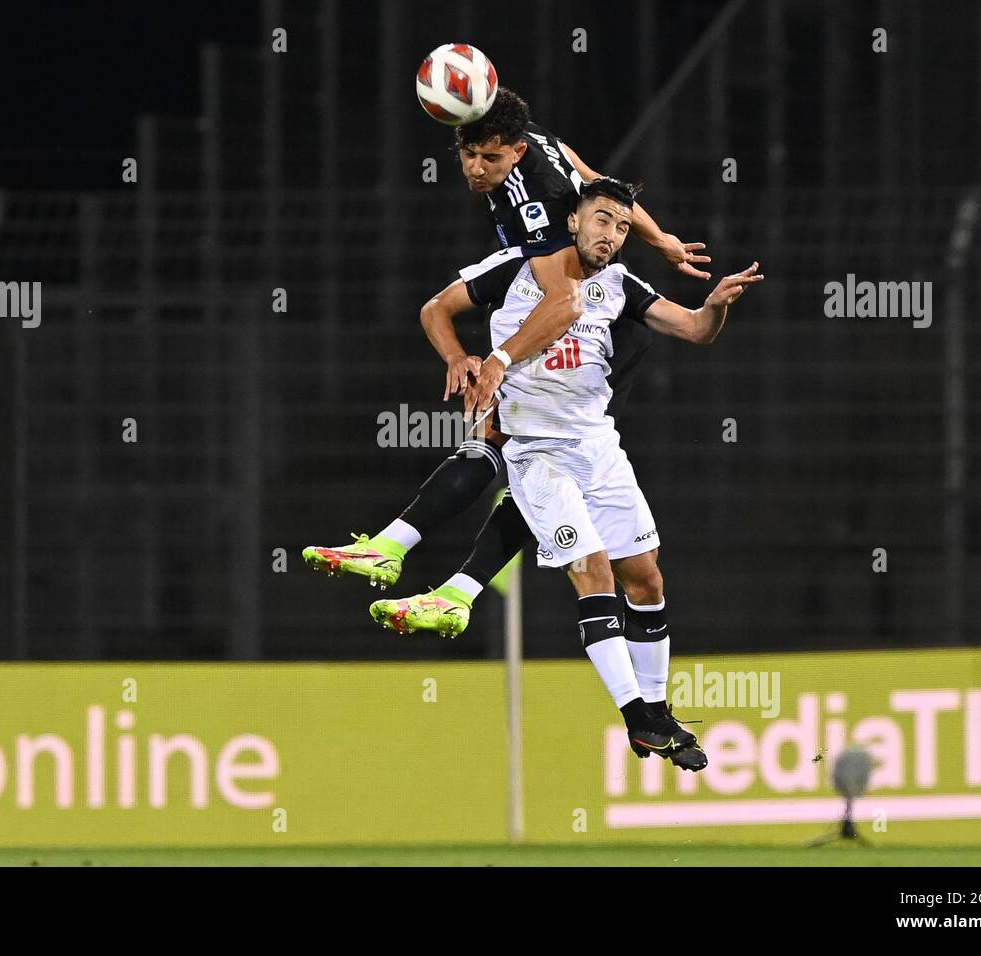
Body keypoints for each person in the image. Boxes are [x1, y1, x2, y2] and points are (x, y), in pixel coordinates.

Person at [303, 88, 709, 638]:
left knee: (531, 450)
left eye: (490, 158)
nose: (476, 168)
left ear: (516, 152)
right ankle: (421, 568)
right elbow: (594, 180)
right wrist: (662, 241)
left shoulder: (535, 206)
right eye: (468, 155)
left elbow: (565, 304)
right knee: (506, 447)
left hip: (602, 342)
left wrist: (495, 361)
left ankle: (430, 574)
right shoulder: (537, 142)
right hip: (566, 319)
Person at [417, 176, 764, 768]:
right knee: (593, 569)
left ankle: (655, 714)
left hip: (599, 448)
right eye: (602, 219)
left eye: (624, 226)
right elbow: (436, 308)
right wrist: (463, 358)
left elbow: (696, 331)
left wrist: (714, 308)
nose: (613, 234)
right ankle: (636, 715)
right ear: (573, 220)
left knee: (647, 580)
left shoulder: (621, 285)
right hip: (535, 451)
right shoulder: (516, 268)